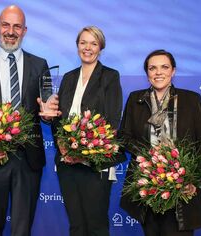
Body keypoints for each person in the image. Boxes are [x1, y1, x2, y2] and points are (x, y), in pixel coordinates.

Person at [0, 5, 58, 236]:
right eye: (6, 25)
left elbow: (47, 112)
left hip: (28, 160)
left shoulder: (40, 65)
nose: (11, 31)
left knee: (21, 230)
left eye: (17, 26)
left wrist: (48, 116)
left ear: (24, 30)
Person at [119, 49, 201, 236]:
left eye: (164, 67)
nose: (158, 72)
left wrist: (189, 177)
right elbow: (124, 137)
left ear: (173, 71)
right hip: (147, 186)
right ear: (147, 74)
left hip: (182, 187)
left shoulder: (191, 100)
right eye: (152, 68)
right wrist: (150, 156)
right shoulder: (135, 99)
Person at [52, 26, 125, 236]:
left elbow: (110, 121)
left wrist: (82, 152)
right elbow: (60, 118)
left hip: (95, 164)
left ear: (100, 48)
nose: (88, 48)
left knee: (96, 226)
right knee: (76, 225)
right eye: (83, 42)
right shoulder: (68, 77)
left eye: (93, 43)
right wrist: (63, 146)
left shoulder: (110, 76)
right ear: (77, 46)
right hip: (67, 163)